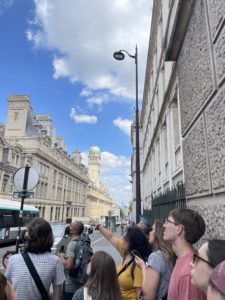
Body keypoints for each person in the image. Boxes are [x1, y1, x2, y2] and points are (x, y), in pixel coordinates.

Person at [89, 218, 151, 300]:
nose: (122, 240)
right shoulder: (126, 253)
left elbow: (141, 297)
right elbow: (111, 237)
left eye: (125, 239)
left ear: (133, 243)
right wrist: (97, 226)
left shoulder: (138, 265)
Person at [5, 217, 65, 300]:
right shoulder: (56, 261)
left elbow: (7, 289)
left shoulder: (13, 260)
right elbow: (57, 297)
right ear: (49, 237)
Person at [163, 208, 206, 300]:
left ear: (179, 229)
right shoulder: (183, 261)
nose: (164, 225)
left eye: (167, 221)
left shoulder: (187, 273)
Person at [134, 219, 175, 300]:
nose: (149, 232)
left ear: (158, 233)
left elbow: (148, 296)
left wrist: (143, 267)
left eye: (152, 229)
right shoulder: (170, 254)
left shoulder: (156, 257)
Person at [58, 221, 85, 300]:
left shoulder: (72, 244)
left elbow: (69, 265)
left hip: (69, 285)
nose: (68, 227)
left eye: (70, 226)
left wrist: (61, 257)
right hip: (79, 283)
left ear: (75, 230)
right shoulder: (81, 241)